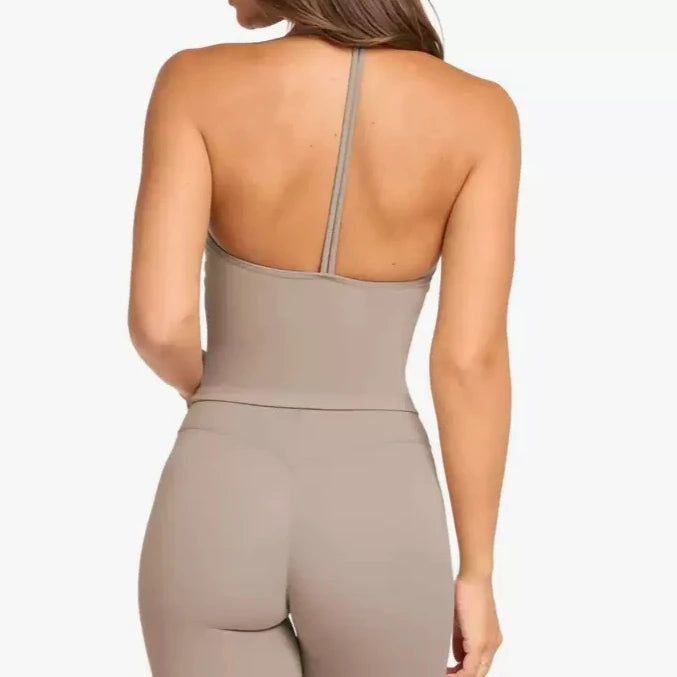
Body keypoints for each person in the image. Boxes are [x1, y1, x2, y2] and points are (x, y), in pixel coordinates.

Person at [128, 1, 520, 675]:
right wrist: (477, 572)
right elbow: (468, 361)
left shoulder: (193, 83)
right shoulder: (481, 114)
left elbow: (160, 324)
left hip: (219, 490)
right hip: (382, 506)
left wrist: (226, 399)